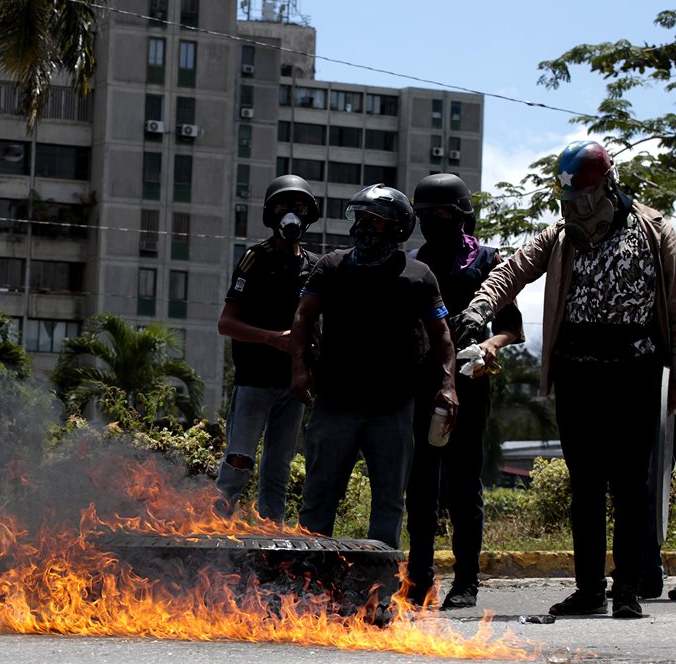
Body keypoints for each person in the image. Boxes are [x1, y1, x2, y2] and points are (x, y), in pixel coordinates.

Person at [454, 140, 676, 620]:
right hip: (578, 373)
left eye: (582, 199)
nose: (574, 209)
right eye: (567, 200)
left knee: (632, 485)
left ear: (606, 188)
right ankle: (590, 589)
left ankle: (629, 589)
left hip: (635, 371)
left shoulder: (658, 232)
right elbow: (510, 270)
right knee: (587, 484)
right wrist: (478, 309)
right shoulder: (558, 236)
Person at [290, 184, 457, 549]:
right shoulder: (330, 266)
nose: (363, 227)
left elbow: (442, 334)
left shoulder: (418, 275)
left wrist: (448, 384)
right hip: (335, 403)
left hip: (392, 408)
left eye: (375, 221)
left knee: (389, 502)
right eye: (360, 218)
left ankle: (378, 592)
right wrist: (299, 369)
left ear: (397, 228)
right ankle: (307, 586)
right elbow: (303, 317)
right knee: (318, 498)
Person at [404, 174, 524, 609]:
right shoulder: (413, 262)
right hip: (421, 384)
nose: (435, 222)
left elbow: (513, 328)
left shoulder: (487, 261)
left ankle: (466, 581)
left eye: (443, 215)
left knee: (463, 485)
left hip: (471, 386)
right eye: (426, 216)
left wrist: (488, 345)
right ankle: (418, 580)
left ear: (461, 216)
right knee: (420, 486)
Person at [214, 176, 320, 523]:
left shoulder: (314, 266)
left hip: (294, 384)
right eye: (283, 208)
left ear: (309, 215)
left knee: (278, 467)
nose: (291, 216)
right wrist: (271, 337)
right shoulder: (255, 259)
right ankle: (215, 528)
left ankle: (271, 538)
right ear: (270, 214)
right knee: (239, 461)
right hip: (255, 381)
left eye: (298, 208)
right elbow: (226, 322)